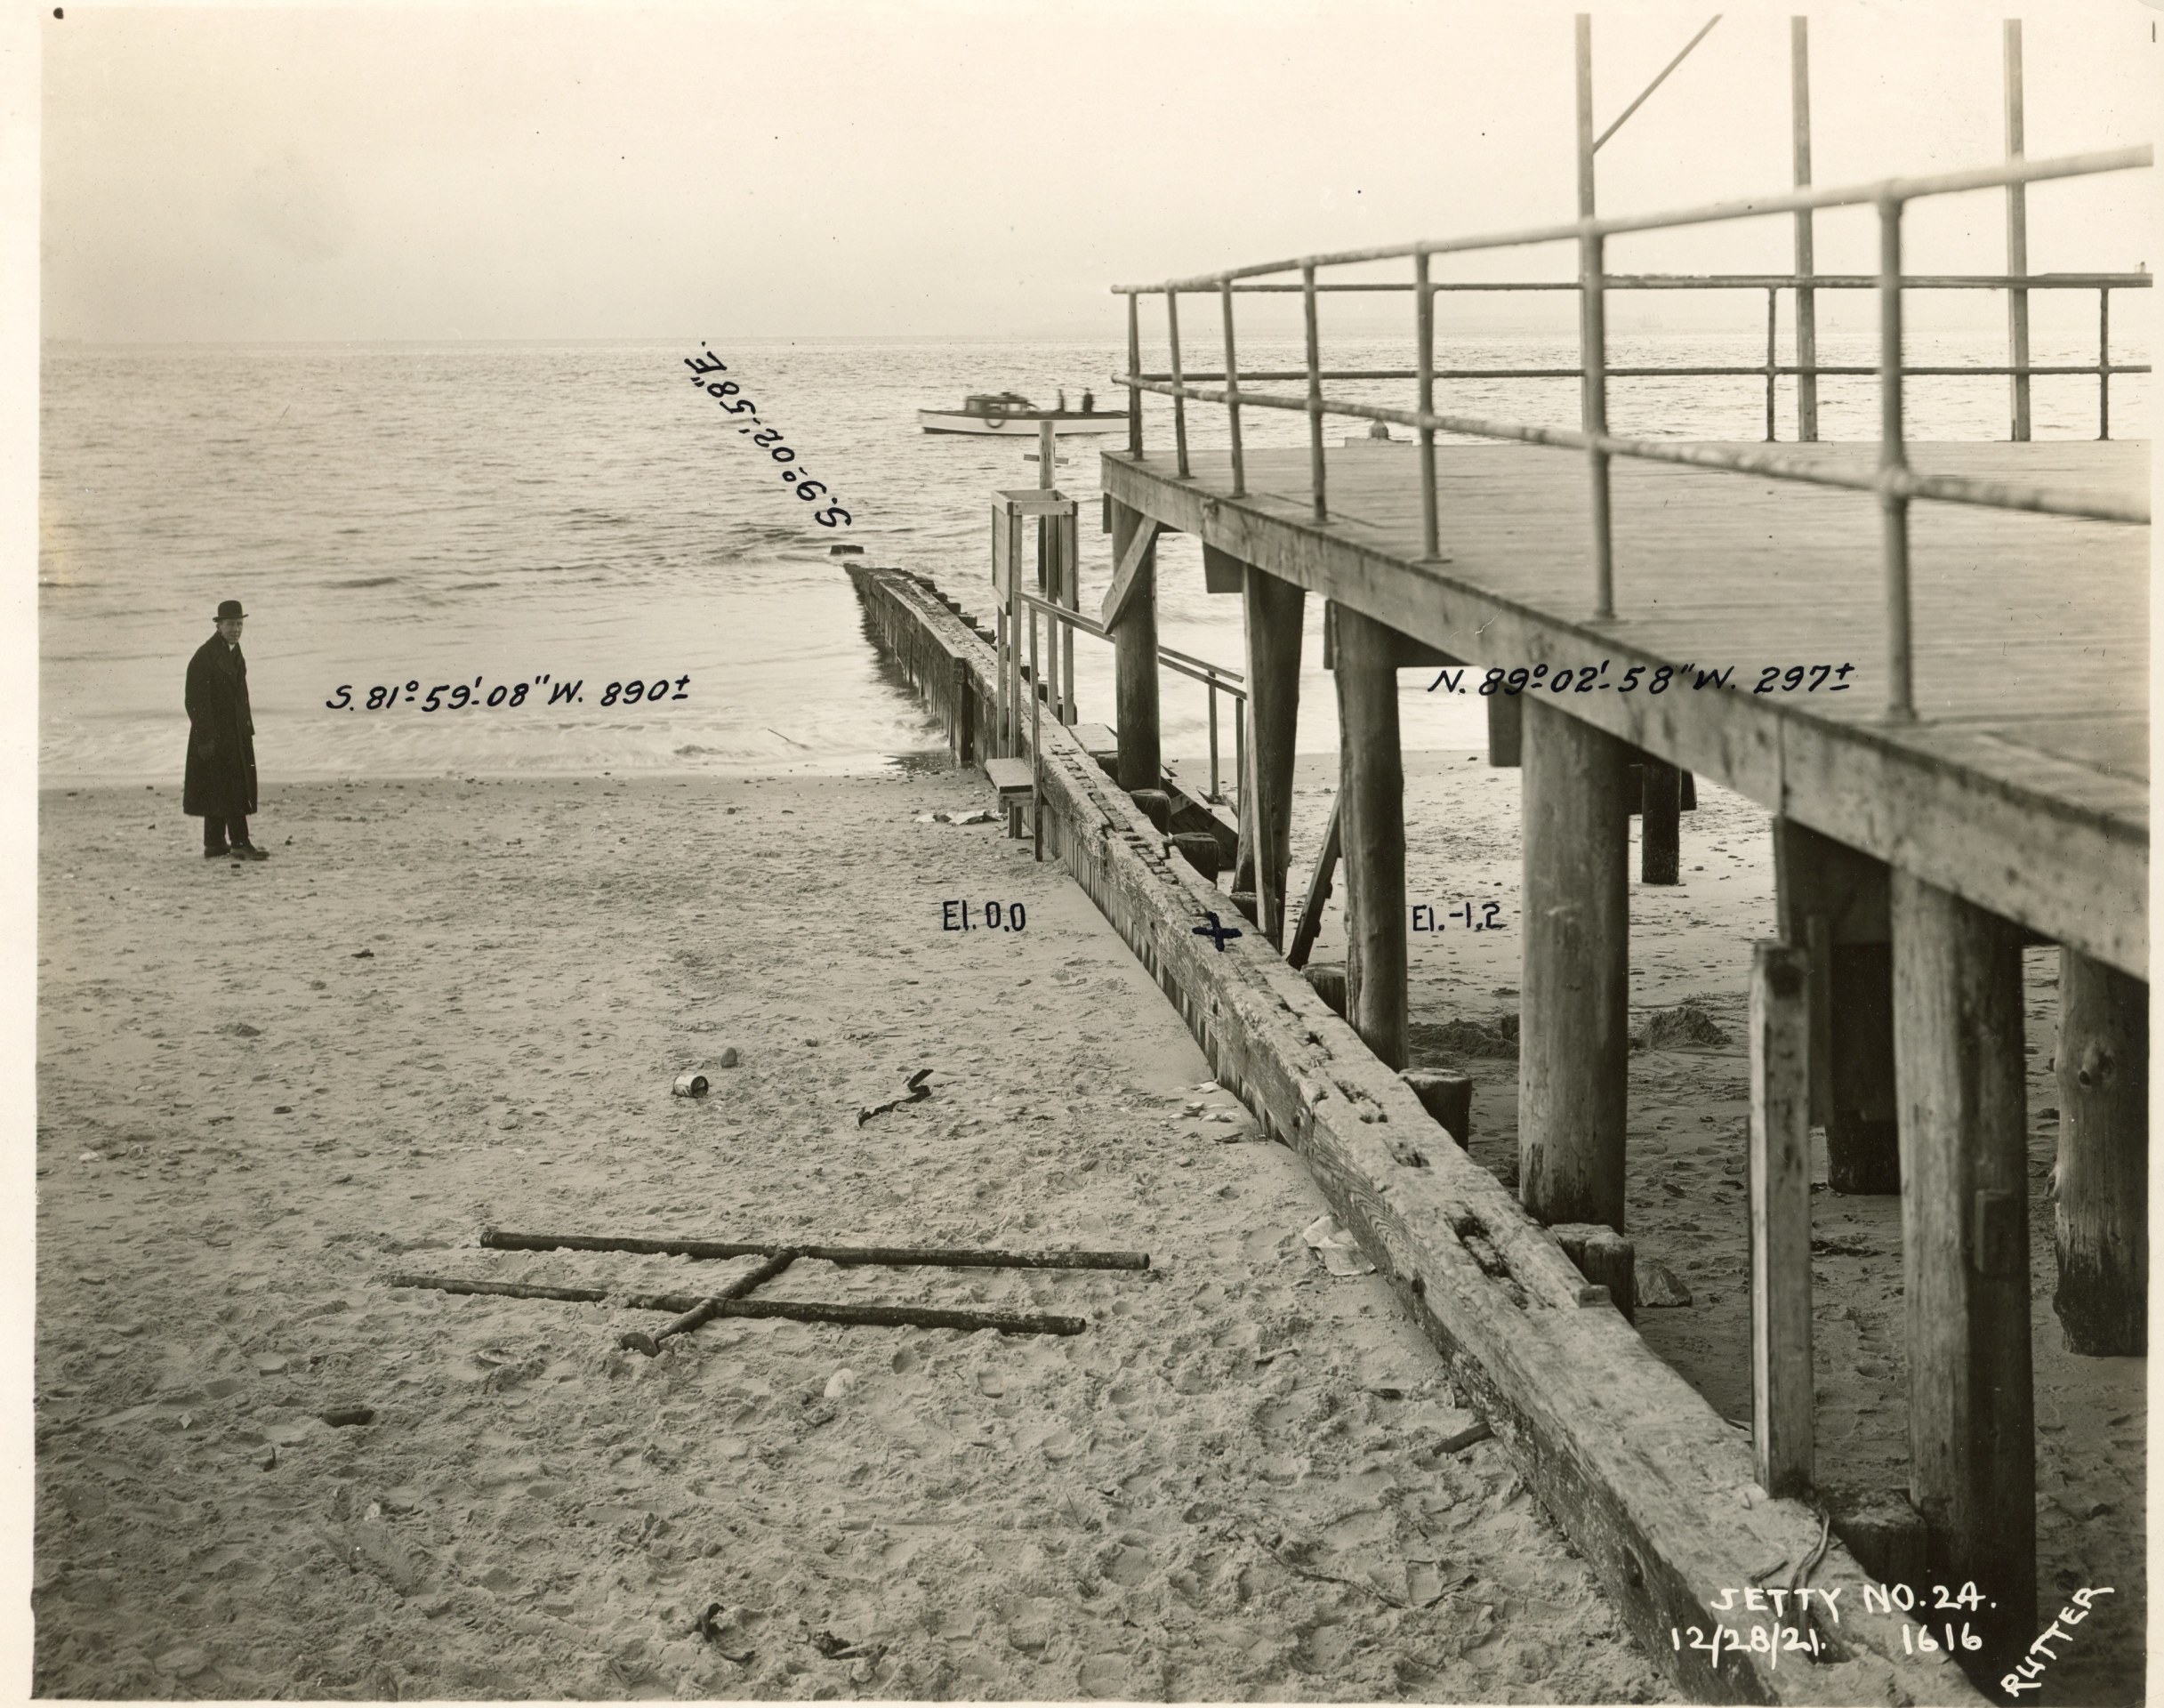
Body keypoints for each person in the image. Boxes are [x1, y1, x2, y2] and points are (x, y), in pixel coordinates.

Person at [184, 600, 266, 860]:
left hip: (235, 733)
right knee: (232, 788)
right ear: (218, 626)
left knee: (217, 787)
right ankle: (240, 843)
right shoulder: (205, 657)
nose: (236, 629)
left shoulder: (234, 651)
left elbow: (241, 695)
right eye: (230, 624)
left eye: (240, 624)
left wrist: (247, 728)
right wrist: (206, 739)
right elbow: (195, 701)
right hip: (213, 736)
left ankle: (215, 843)